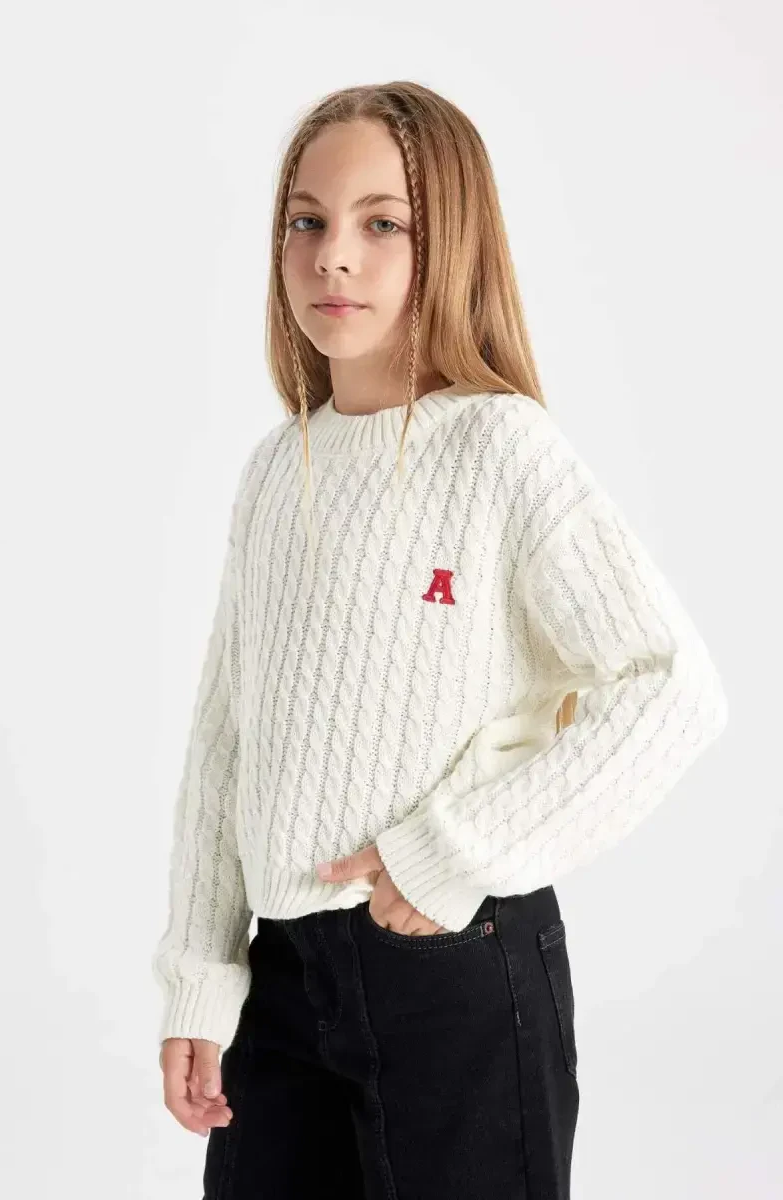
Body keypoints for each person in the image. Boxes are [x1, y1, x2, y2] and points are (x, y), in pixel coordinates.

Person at [151, 81, 729, 1200]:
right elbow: (226, 741)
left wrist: (452, 857)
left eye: (383, 223)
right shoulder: (276, 470)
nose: (333, 254)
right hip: (283, 981)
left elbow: (670, 687)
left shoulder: (501, 450)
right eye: (307, 219)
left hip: (455, 962)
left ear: (449, 243)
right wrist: (201, 978)